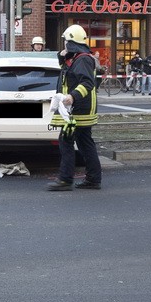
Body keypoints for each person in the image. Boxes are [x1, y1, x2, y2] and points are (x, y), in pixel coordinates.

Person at [48, 24, 102, 191]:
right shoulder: (78, 57)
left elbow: (87, 83)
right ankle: (93, 179)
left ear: (71, 42)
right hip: (80, 110)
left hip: (78, 111)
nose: (64, 44)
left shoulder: (82, 59)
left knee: (66, 141)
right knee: (85, 143)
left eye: (66, 42)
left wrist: (72, 96)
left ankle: (65, 179)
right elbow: (67, 74)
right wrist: (62, 56)